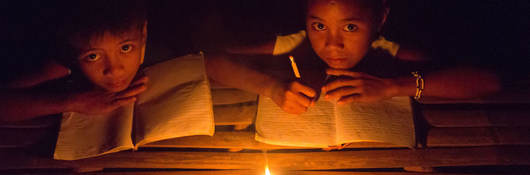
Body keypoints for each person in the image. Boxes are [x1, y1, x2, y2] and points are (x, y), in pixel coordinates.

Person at [206, 0, 501, 114]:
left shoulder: (392, 52)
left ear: (380, 18)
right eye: (319, 25)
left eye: (350, 27)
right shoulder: (292, 45)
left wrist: (393, 87)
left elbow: (489, 81)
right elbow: (212, 62)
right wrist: (271, 88)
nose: (333, 44)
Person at [0, 0, 149, 122]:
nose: (114, 70)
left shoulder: (165, 52)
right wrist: (72, 102)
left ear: (143, 33)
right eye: (93, 56)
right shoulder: (60, 66)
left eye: (126, 48)